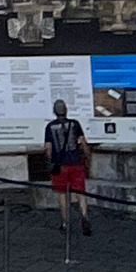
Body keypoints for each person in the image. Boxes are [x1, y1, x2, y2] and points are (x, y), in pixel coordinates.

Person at [42, 98, 92, 238]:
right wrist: (88, 158)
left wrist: (49, 162)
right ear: (66, 110)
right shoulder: (75, 124)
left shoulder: (50, 127)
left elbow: (48, 148)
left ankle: (65, 222)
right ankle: (84, 216)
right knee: (81, 193)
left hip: (59, 164)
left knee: (62, 194)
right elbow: (83, 143)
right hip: (76, 162)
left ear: (54, 111)